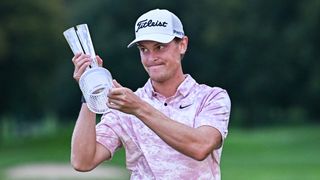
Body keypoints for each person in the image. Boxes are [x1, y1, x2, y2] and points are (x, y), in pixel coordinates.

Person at [70, 8, 231, 180]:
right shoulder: (127, 104)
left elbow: (200, 146)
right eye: (143, 49)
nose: (151, 57)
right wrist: (90, 90)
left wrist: (138, 108)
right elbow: (83, 161)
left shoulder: (211, 97)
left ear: (182, 45)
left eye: (159, 47)